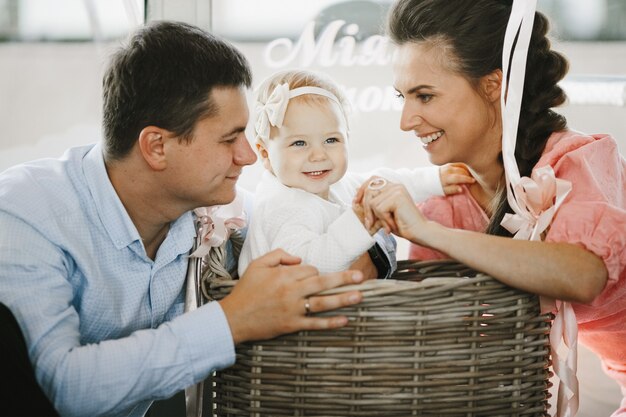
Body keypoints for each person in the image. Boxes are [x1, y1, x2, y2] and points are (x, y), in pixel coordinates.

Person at [0, 21, 368, 417]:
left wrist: (373, 236)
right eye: (230, 139)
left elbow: (315, 226)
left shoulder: (220, 211)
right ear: (157, 146)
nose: (248, 156)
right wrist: (231, 321)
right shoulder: (24, 213)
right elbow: (63, 387)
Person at [355, 0, 626, 415]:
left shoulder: (575, 161)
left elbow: (583, 274)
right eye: (402, 98)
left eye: (424, 96)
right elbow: (431, 337)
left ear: (492, 84)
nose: (406, 120)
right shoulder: (445, 204)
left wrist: (428, 233)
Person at [238, 69, 474, 277]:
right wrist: (361, 221)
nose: (318, 155)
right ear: (266, 154)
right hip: (288, 321)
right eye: (299, 143)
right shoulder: (282, 208)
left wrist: (435, 180)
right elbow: (312, 266)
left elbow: (383, 183)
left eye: (331, 140)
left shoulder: (330, 183)